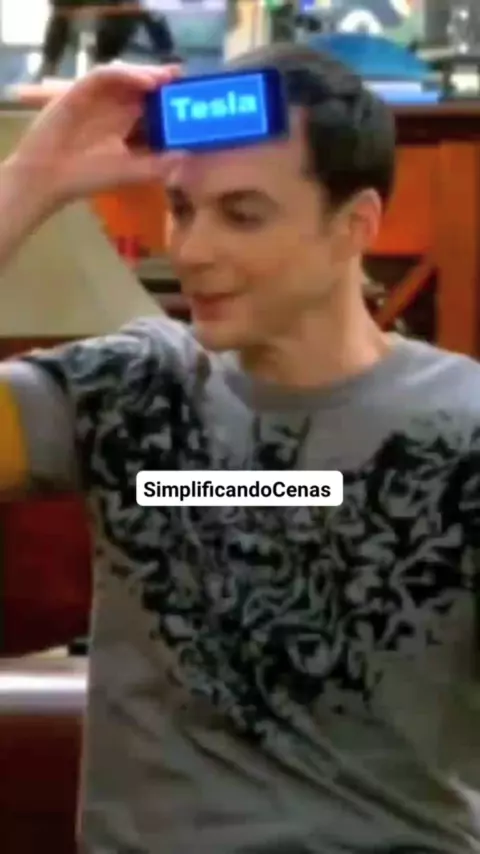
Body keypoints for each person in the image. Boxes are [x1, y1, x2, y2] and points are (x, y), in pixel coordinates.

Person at [1, 47, 479, 854]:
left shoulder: (462, 426)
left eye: (243, 215)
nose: (192, 250)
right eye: (182, 208)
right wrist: (32, 178)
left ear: (355, 225)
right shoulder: (129, 390)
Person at [35, 0, 177, 82]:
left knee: (144, 14)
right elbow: (59, 10)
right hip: (80, 14)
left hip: (116, 19)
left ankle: (167, 56)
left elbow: (140, 9)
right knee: (59, 21)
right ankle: (50, 64)